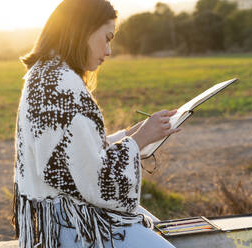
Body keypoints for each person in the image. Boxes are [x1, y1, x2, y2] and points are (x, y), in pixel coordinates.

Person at [12, 0, 181, 247]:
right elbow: (93, 180)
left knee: (157, 227)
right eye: (107, 38)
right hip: (75, 224)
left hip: (59, 219)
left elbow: (71, 156)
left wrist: (131, 133)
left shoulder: (46, 74)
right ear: (83, 31)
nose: (109, 50)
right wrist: (139, 140)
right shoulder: (62, 85)